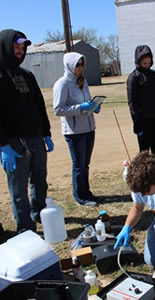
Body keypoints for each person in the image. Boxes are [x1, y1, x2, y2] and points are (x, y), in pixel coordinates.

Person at [0, 29, 53, 232]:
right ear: (5, 47)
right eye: (16, 46)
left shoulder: (28, 75)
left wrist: (46, 132)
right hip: (13, 143)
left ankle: (40, 213)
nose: (20, 50)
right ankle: (26, 228)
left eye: (23, 47)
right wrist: (3, 145)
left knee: (40, 182)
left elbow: (39, 106)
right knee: (19, 189)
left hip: (36, 138)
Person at [53, 52, 101, 207]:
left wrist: (93, 106)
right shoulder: (62, 84)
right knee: (78, 165)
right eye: (77, 64)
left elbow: (86, 101)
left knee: (85, 164)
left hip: (88, 127)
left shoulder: (83, 81)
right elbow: (58, 109)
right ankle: (80, 196)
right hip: (74, 131)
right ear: (70, 66)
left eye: (82, 64)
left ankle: (87, 192)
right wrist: (80, 108)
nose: (80, 67)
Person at [127, 45, 155, 157]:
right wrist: (137, 123)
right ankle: (144, 174)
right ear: (138, 61)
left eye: (148, 63)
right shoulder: (133, 78)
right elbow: (132, 102)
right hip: (143, 121)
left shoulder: (154, 75)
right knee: (144, 152)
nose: (146, 66)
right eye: (144, 63)